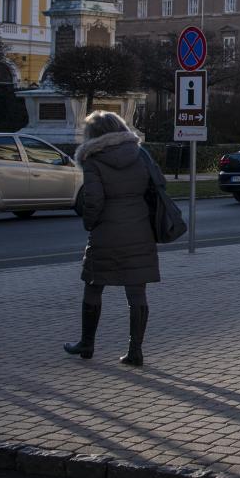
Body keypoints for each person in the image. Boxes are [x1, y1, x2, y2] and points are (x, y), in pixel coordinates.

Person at [63, 110, 164, 366]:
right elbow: (158, 185)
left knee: (94, 284)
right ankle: (135, 351)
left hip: (106, 232)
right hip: (140, 229)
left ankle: (87, 344)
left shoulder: (93, 160)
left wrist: (90, 223)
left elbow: (93, 201)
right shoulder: (140, 153)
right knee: (136, 290)